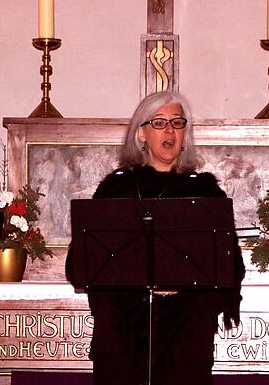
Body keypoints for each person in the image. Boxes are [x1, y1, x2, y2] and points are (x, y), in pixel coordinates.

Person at [66, 91, 245, 385]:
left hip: (185, 339)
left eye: (177, 122)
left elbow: (230, 268)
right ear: (141, 134)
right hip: (124, 336)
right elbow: (80, 264)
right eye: (159, 122)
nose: (170, 130)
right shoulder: (116, 190)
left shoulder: (206, 193)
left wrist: (187, 291)